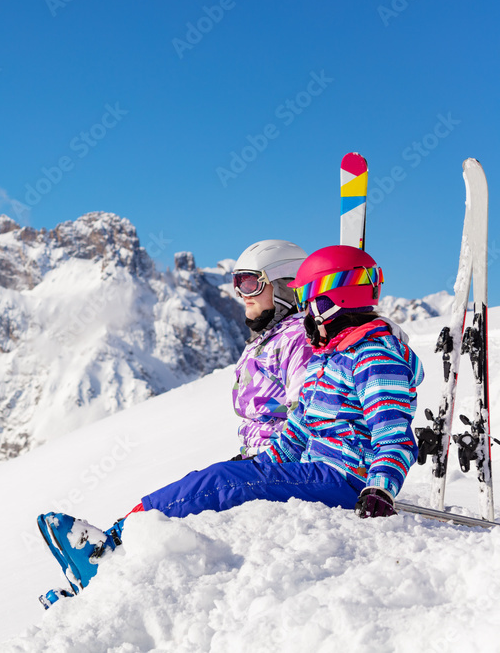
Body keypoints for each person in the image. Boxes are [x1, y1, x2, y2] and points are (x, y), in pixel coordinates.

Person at [37, 245, 424, 607]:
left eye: (310, 302)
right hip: (317, 471)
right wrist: (257, 462)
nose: (305, 313)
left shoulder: (374, 357)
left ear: (332, 301)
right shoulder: (331, 359)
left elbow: (395, 436)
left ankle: (114, 546)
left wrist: (380, 488)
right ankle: (102, 571)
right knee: (223, 476)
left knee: (220, 484)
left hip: (344, 479)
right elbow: (298, 432)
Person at [230, 239, 313, 458]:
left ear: (285, 285)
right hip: (259, 456)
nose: (242, 293)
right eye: (237, 283)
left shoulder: (301, 338)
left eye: (250, 283)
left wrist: (269, 460)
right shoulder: (265, 339)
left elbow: (305, 416)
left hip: (285, 462)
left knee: (197, 488)